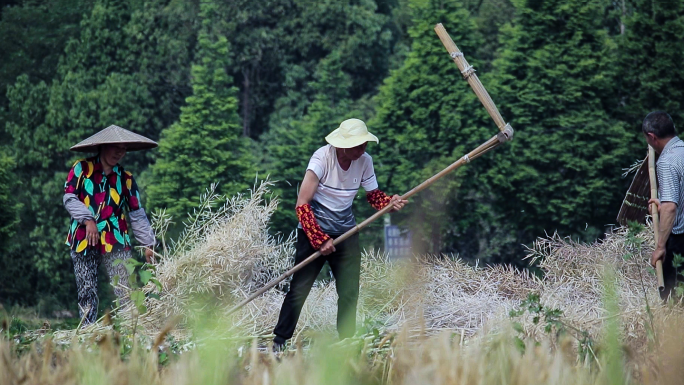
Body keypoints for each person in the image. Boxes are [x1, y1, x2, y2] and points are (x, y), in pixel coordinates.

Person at [272, 118, 408, 350]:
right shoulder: (321, 159)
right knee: (299, 289)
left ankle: (347, 341)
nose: (362, 149)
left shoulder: (365, 161)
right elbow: (302, 204)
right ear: (343, 145)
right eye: (357, 145)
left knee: (349, 291)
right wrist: (319, 239)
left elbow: (373, 195)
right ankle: (280, 340)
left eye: (364, 144)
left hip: (346, 232)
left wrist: (389, 202)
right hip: (313, 232)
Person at [63, 125, 157, 324]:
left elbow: (137, 214)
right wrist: (88, 220)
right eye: (116, 147)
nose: (119, 153)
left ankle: (130, 330)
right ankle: (87, 334)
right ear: (103, 146)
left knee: (124, 289)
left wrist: (148, 245)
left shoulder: (126, 179)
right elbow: (69, 198)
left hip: (116, 239)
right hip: (83, 239)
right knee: (87, 291)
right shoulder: (81, 168)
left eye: (123, 149)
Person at [644, 111, 684, 300]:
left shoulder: (667, 161)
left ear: (652, 137)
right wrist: (663, 201)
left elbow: (671, 208)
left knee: (674, 301)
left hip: (680, 241)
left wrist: (660, 246)